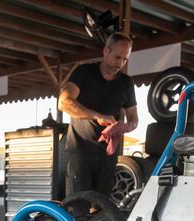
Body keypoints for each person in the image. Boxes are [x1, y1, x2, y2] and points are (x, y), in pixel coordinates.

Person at [58, 32, 138, 198]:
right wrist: (97, 116)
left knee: (102, 209)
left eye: (125, 59)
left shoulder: (126, 83)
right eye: (117, 57)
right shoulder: (84, 72)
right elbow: (63, 102)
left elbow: (134, 119)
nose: (120, 63)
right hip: (80, 152)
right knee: (77, 207)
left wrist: (126, 126)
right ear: (105, 51)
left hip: (108, 156)